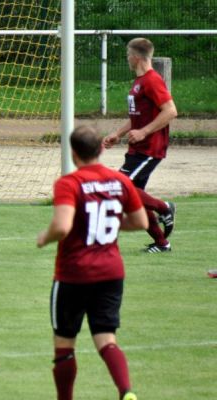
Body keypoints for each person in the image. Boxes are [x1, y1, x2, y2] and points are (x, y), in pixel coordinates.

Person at [37, 126, 149, 400]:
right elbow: (141, 222)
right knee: (106, 339)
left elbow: (62, 226)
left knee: (64, 344)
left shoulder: (69, 183)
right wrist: (106, 224)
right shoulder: (119, 181)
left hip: (73, 274)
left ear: (73, 154)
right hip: (110, 273)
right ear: (101, 149)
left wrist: (44, 237)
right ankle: (126, 392)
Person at [103, 37, 178, 253]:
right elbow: (138, 117)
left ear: (136, 57)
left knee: (120, 187)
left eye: (128, 55)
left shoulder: (152, 80)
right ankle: (162, 243)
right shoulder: (139, 82)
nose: (127, 59)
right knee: (135, 197)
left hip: (150, 148)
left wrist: (144, 131)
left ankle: (164, 208)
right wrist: (118, 133)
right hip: (138, 148)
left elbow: (171, 110)